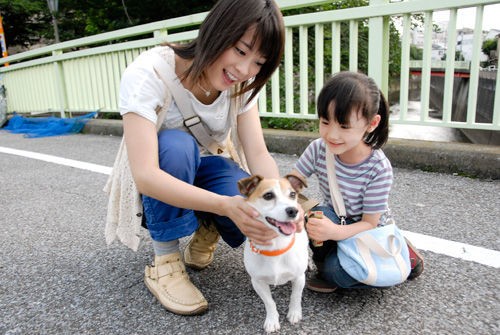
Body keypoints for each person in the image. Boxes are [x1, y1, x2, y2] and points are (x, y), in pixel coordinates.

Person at [103, 0, 300, 316]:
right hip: (162, 169)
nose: (244, 70)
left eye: (258, 62)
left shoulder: (244, 83)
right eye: (239, 50)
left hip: (212, 163)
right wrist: (224, 205)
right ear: (216, 30)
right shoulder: (148, 72)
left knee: (246, 200)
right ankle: (165, 261)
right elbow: (145, 175)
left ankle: (207, 225)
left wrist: (277, 204)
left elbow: (258, 153)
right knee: (177, 146)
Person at [288, 71, 424, 293]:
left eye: (344, 126)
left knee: (337, 272)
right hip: (337, 217)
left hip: (369, 231)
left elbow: (369, 223)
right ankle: (328, 265)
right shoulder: (318, 149)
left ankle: (402, 254)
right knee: (313, 215)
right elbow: (293, 181)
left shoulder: (378, 168)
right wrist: (278, 196)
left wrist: (332, 232)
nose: (331, 134)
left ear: (371, 124)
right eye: (325, 121)